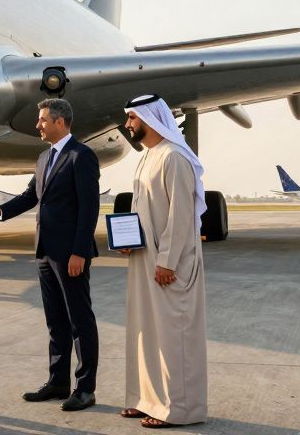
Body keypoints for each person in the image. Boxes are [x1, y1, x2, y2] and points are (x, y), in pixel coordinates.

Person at [0, 99, 100, 412]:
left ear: (59, 121)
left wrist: (80, 251)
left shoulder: (81, 156)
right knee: (55, 322)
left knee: (80, 320)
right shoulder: (44, 158)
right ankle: (58, 382)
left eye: (42, 120)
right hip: (44, 253)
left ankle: (85, 388)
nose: (37, 125)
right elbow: (30, 197)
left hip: (70, 254)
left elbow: (89, 208)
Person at [120, 95, 208, 428]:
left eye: (132, 118)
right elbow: (140, 208)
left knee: (174, 336)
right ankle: (149, 401)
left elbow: (182, 216)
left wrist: (168, 261)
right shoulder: (147, 158)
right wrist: (128, 241)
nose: (128, 124)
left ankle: (180, 408)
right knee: (146, 334)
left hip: (171, 264)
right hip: (145, 261)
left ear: (148, 118)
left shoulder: (174, 158)